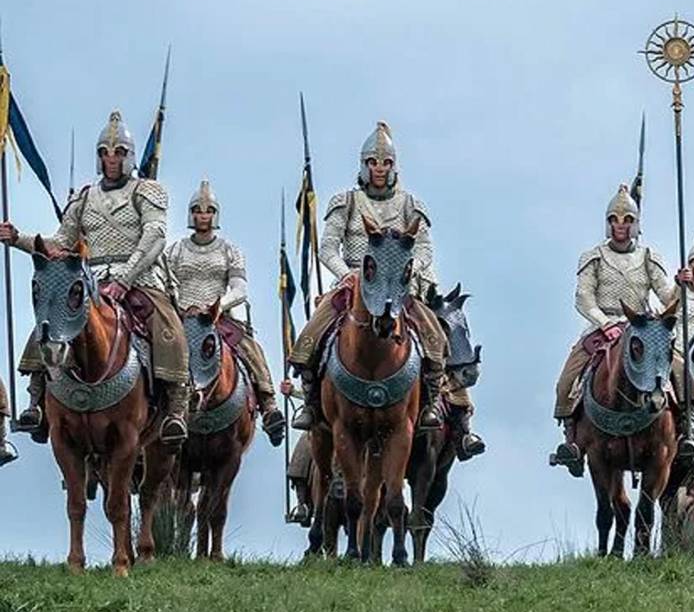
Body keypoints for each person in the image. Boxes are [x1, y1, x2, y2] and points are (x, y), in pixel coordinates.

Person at [288, 121, 481, 452]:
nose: (379, 169)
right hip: (353, 284)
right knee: (310, 334)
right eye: (373, 163)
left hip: (400, 288)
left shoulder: (410, 205)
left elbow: (424, 251)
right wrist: (348, 274)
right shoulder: (345, 202)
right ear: (363, 165)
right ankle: (309, 401)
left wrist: (409, 272)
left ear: (395, 167)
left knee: (436, 338)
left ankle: (435, 404)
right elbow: (328, 248)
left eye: (386, 163)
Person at [0, 110, 188, 448]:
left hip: (141, 276)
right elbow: (60, 244)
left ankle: (175, 408)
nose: (111, 159)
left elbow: (154, 236)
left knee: (168, 327)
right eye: (105, 152)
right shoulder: (85, 197)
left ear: (129, 157)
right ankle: (36, 399)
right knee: (50, 318)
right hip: (91, 278)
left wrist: (127, 278)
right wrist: (19, 239)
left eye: (118, 153)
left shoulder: (148, 191)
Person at [550, 183, 694, 476]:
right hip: (602, 324)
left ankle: (687, 428)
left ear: (635, 224)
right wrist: (605, 324)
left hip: (643, 325)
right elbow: (584, 298)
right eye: (615, 220)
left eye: (627, 220)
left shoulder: (648, 258)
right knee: (566, 379)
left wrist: (682, 285)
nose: (621, 225)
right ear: (607, 224)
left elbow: (667, 298)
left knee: (680, 367)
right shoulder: (592, 257)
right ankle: (571, 442)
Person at [166, 179, 286, 446]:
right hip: (183, 317)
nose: (203, 215)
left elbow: (239, 288)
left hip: (218, 317)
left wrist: (218, 305)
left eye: (208, 210)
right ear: (191, 214)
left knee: (248, 347)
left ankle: (268, 404)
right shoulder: (174, 250)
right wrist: (182, 307)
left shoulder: (231, 251)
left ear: (215, 214)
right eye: (198, 210)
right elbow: (168, 284)